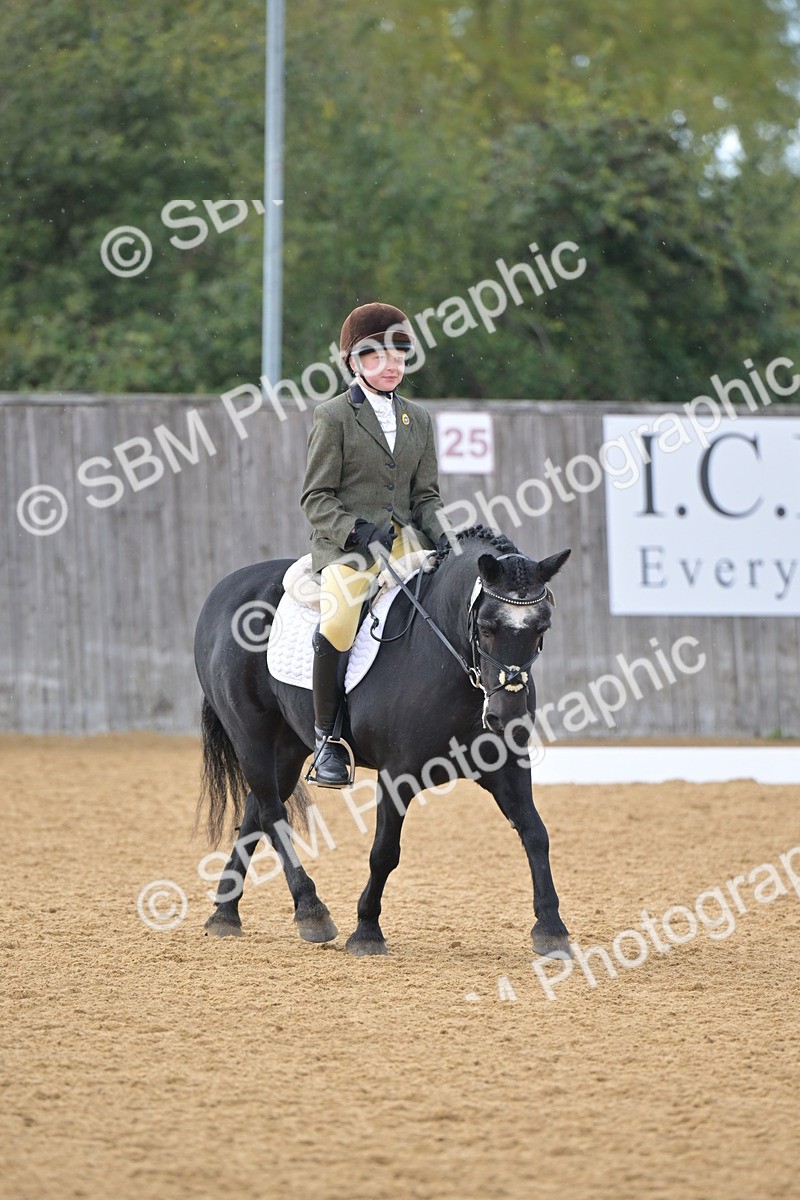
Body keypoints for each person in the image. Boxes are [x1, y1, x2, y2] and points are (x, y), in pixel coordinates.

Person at [300, 301, 451, 786]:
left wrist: (447, 539)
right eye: (377, 357)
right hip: (347, 547)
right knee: (341, 620)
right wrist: (353, 530)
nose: (391, 366)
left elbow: (425, 496)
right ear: (353, 362)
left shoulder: (419, 419)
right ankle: (327, 740)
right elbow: (315, 496)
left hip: (405, 542)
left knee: (451, 598)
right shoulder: (334, 416)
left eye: (399, 356)